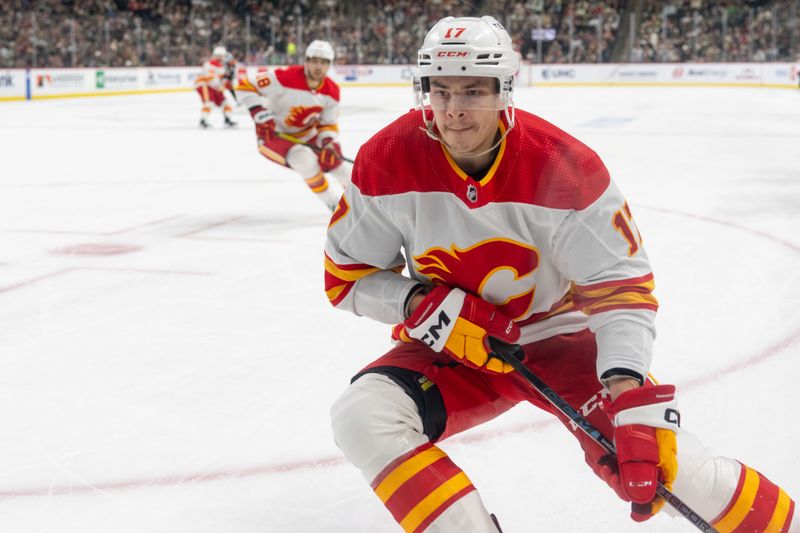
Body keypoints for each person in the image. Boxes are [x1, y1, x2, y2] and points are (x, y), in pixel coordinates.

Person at [325, 15, 796, 533]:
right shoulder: (386, 160)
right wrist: (414, 302)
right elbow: (347, 276)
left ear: (505, 90)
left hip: (564, 339)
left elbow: (623, 292)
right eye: (441, 91)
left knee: (668, 463)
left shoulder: (565, 168)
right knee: (363, 416)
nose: (454, 112)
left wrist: (626, 394)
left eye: (473, 92)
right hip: (456, 341)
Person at [235, 40, 351, 211]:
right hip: (274, 135)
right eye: (314, 61)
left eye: (324, 62)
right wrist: (259, 113)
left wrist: (329, 143)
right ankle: (334, 203)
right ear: (306, 61)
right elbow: (244, 85)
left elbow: (328, 125)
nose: (318, 66)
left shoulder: (332, 90)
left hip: (306, 134)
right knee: (305, 159)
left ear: (329, 65)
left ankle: (362, 205)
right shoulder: (284, 77)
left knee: (340, 166)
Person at [195, 45, 237, 129]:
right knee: (209, 103)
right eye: (219, 56)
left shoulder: (221, 66)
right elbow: (211, 79)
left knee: (226, 103)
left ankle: (227, 119)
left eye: (221, 56)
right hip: (205, 85)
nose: (220, 58)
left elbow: (220, 80)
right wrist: (222, 83)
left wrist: (225, 82)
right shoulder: (209, 64)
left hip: (215, 87)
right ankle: (203, 121)